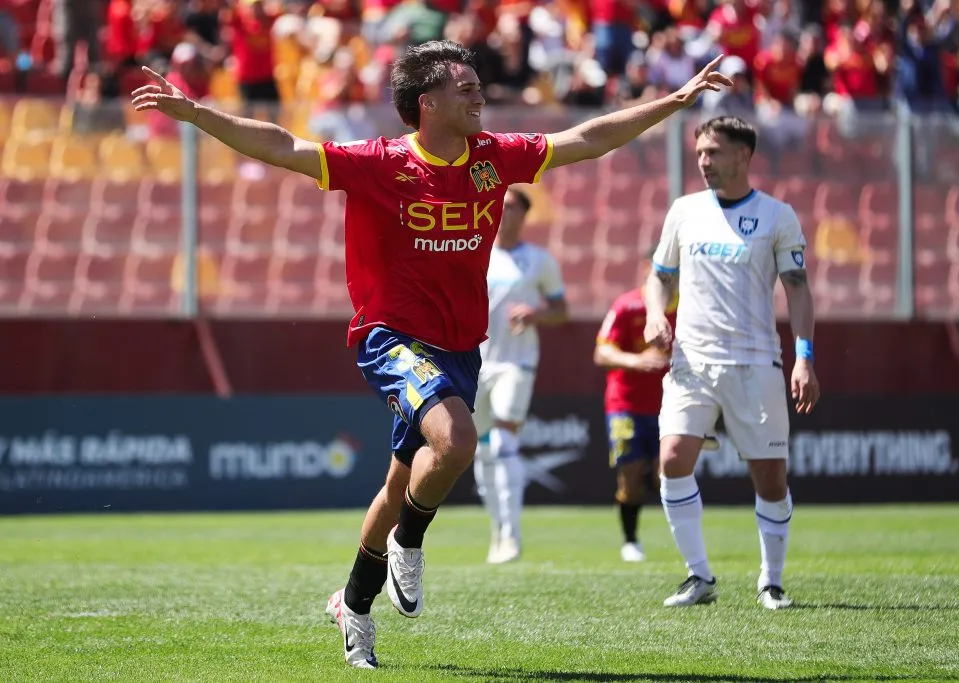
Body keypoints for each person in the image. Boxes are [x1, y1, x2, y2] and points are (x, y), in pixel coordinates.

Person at [132, 40, 732, 669]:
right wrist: (195, 113)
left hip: (460, 348)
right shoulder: (378, 162)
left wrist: (675, 100)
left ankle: (354, 606)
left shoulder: (494, 156)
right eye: (465, 87)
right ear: (429, 103)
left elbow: (586, 139)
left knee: (399, 484)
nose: (479, 95)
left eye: (478, 86)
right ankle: (410, 542)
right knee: (458, 439)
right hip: (390, 337)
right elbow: (283, 146)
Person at [644, 116, 820, 611]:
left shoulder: (777, 216)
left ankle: (771, 581)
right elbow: (659, 276)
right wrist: (655, 313)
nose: (704, 161)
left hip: (754, 363)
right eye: (700, 152)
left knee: (771, 478)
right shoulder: (683, 211)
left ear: (744, 155)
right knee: (672, 459)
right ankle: (698, 575)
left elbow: (798, 290)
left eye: (714, 152)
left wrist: (804, 357)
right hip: (691, 362)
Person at [594, 255, 717, 563]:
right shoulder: (627, 306)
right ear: (647, 269)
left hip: (673, 404)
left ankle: (688, 548)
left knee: (668, 475)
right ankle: (630, 541)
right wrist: (636, 360)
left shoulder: (692, 307)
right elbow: (602, 352)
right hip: (626, 405)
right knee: (631, 477)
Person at [474, 186, 568, 565]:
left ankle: (512, 535)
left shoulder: (539, 260)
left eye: (511, 206)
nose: (503, 211)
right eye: (499, 205)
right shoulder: (476, 252)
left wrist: (535, 314)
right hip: (474, 364)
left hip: (516, 363)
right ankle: (497, 530)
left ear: (524, 215)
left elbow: (561, 310)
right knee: (480, 449)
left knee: (502, 442)